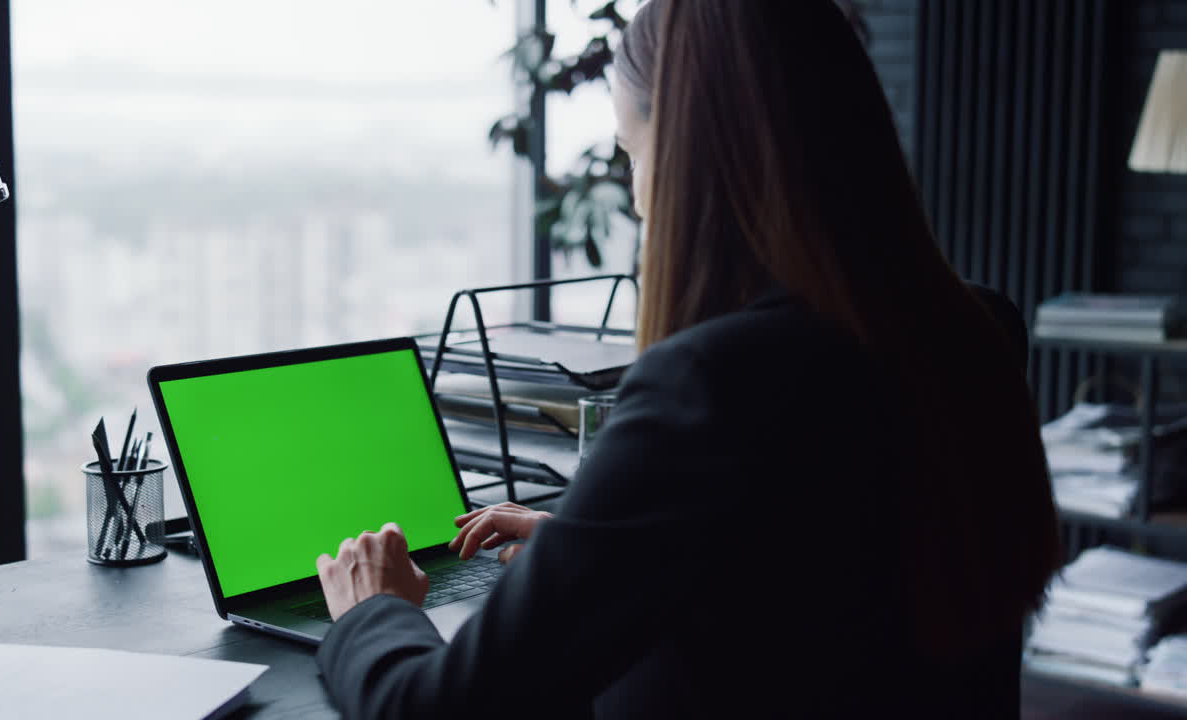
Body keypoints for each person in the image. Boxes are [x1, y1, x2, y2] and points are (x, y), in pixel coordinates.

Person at [312, 2, 1061, 717]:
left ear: (686, 157)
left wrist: (371, 609)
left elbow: (433, 706)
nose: (637, 194)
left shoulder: (712, 384)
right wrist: (591, 548)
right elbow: (820, 578)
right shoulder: (970, 330)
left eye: (632, 152)